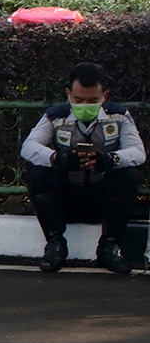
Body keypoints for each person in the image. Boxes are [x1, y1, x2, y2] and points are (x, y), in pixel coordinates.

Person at [21, 62, 145, 273]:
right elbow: (29, 147)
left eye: (92, 101)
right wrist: (57, 158)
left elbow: (138, 152)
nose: (84, 106)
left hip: (103, 199)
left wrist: (109, 160)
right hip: (66, 197)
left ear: (105, 96)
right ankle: (55, 245)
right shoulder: (55, 116)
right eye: (78, 100)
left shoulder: (120, 116)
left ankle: (109, 248)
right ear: (68, 93)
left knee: (130, 175)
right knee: (37, 171)